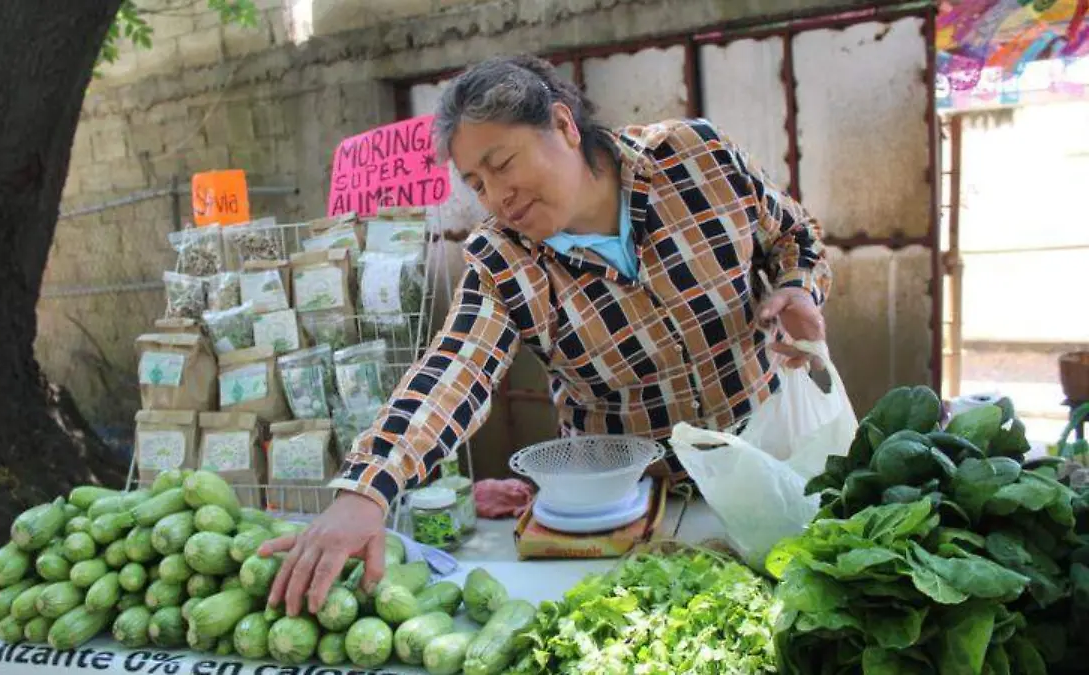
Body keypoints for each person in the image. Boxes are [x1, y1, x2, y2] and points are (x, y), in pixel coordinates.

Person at [260, 54, 833, 615]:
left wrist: (800, 288)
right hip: (624, 513)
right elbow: (456, 368)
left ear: (563, 125)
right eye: (476, 184)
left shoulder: (694, 159)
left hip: (766, 467)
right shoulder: (503, 257)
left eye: (503, 163)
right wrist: (368, 488)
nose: (497, 197)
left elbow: (794, 234)